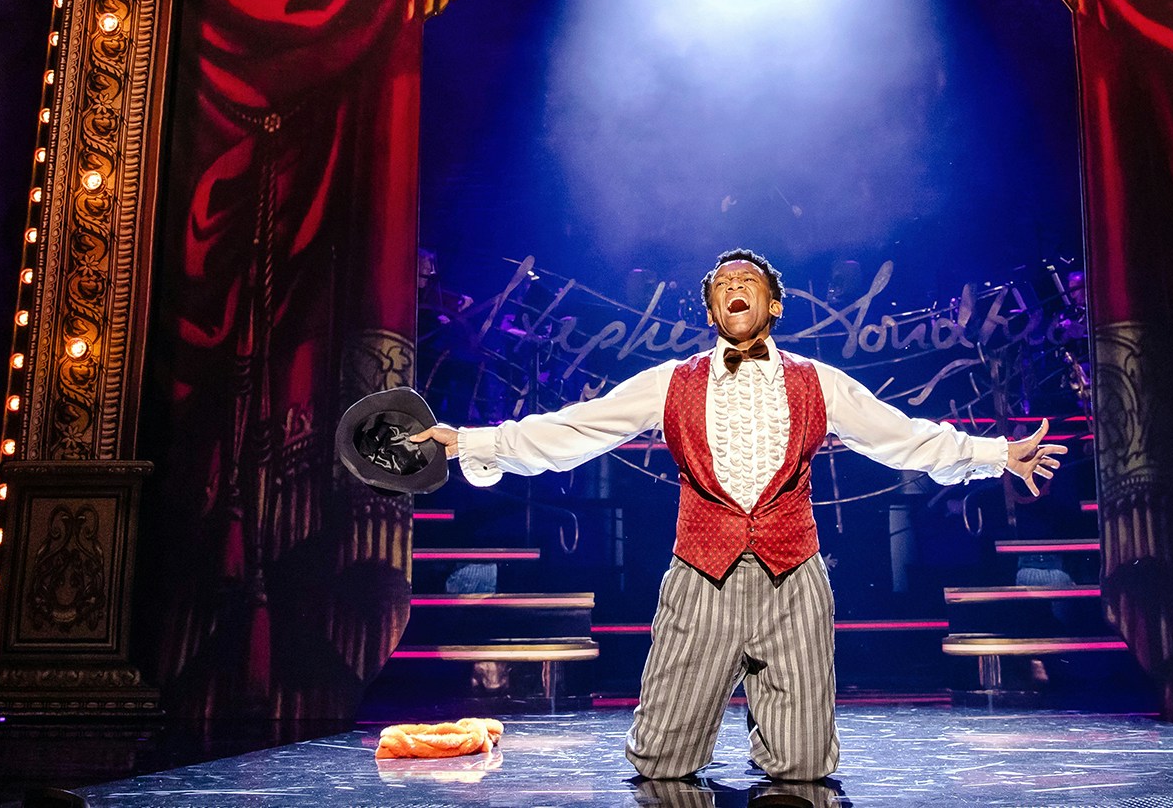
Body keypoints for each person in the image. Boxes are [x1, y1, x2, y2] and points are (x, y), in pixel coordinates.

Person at [410, 249, 1066, 781]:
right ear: (712, 307)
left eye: (747, 281)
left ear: (772, 304)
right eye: (723, 285)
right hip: (700, 578)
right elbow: (572, 430)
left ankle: (782, 736)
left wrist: (999, 454)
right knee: (660, 764)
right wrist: (471, 441)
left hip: (793, 580)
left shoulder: (818, 380)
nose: (734, 290)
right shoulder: (671, 381)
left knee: (805, 767)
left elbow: (903, 436)